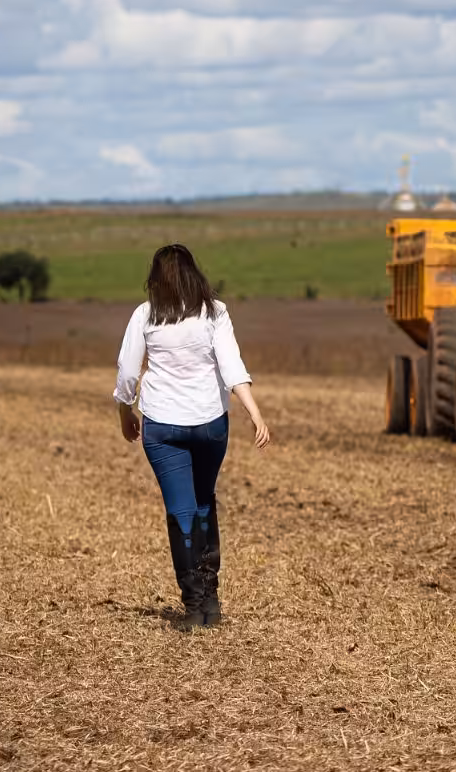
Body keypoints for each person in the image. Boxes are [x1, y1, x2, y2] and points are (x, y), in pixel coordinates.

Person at [113, 244, 270, 630]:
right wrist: (254, 411)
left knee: (182, 510)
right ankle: (211, 601)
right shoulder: (214, 311)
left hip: (163, 427)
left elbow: (128, 372)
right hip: (210, 424)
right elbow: (231, 363)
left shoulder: (146, 315)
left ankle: (194, 606)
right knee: (203, 502)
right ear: (193, 274)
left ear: (156, 278)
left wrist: (124, 412)